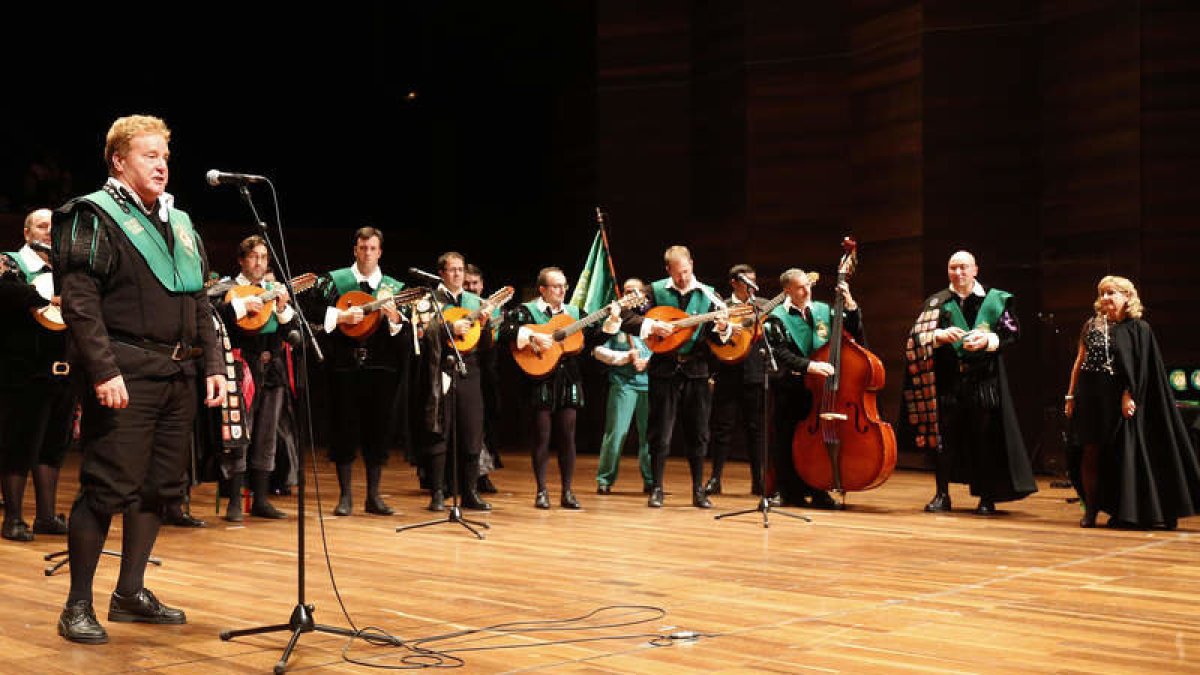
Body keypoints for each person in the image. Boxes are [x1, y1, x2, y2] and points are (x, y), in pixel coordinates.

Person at [52, 115, 226, 644]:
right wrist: (103, 369)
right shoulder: (92, 215)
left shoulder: (178, 221)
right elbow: (79, 303)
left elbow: (197, 298)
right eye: (149, 156)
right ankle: (76, 605)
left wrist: (214, 364)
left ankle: (129, 592)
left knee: (158, 490)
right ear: (118, 161)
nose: (162, 165)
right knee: (107, 487)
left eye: (166, 157)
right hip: (124, 372)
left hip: (176, 373)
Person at [901, 250, 1036, 515]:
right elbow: (915, 337)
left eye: (964, 267)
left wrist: (987, 342)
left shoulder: (995, 299)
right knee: (944, 439)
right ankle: (942, 495)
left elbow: (1012, 333)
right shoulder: (936, 302)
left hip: (983, 381)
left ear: (975, 269)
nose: (958, 273)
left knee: (983, 438)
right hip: (947, 381)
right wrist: (938, 336)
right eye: (953, 267)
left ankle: (986, 497)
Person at [1064, 276, 1200, 529]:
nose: (1105, 298)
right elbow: (1079, 362)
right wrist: (1070, 395)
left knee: (1120, 454)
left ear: (1127, 296)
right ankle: (1091, 510)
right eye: (1102, 293)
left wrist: (1129, 394)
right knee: (1090, 451)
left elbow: (1142, 369)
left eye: (1111, 293)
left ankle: (1125, 510)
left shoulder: (1139, 329)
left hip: (1120, 400)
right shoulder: (1091, 325)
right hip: (1091, 397)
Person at [618, 245, 729, 508]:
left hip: (697, 371)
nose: (683, 278)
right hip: (664, 370)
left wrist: (723, 328)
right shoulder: (654, 291)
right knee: (660, 432)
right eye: (678, 274)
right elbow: (625, 317)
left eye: (687, 271)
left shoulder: (709, 295)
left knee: (699, 433)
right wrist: (652, 325)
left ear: (692, 263)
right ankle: (656, 487)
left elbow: (716, 338)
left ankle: (698, 490)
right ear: (668, 269)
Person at [501, 267, 620, 508]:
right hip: (539, 379)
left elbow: (593, 338)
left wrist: (612, 319)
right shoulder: (527, 311)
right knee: (541, 437)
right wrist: (532, 336)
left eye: (564, 285)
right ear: (542, 289)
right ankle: (541, 490)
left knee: (568, 436)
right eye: (556, 286)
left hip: (568, 378)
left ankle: (567, 491)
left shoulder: (575, 313)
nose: (562, 290)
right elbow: (504, 330)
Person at [313, 227, 409, 517]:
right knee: (344, 428)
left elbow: (404, 332)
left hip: (381, 369)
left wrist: (394, 318)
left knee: (378, 430)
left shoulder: (393, 287)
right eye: (363, 248)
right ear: (355, 250)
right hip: (343, 366)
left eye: (373, 249)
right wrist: (341, 316)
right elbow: (313, 313)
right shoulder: (334, 281)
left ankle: (374, 496)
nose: (367, 253)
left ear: (380, 252)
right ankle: (345, 497)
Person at [0, 208, 74, 541]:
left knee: (53, 446)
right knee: (18, 444)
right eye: (41, 225)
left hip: (63, 369)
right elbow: (6, 293)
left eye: (53, 226)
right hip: (22, 371)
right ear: (27, 231)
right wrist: (42, 297)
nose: (48, 231)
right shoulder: (10, 262)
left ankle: (46, 516)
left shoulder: (66, 269)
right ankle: (13, 518)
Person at [762, 268, 862, 507]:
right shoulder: (776, 317)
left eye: (808, 285)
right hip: (791, 387)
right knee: (786, 441)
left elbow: (854, 329)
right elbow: (781, 354)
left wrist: (849, 303)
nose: (806, 290)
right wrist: (810, 366)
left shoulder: (823, 310)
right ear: (787, 290)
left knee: (816, 442)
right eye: (799, 287)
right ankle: (790, 492)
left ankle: (819, 490)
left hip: (821, 390)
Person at [213, 235, 295, 521]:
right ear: (241, 260)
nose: (259, 262)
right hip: (239, 370)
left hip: (271, 371)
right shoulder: (228, 289)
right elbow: (212, 316)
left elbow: (293, 333)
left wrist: (283, 308)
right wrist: (241, 307)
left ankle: (261, 499)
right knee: (240, 434)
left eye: (263, 257)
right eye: (253, 256)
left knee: (266, 435)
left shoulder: (274, 290)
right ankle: (235, 501)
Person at [416, 252, 496, 512]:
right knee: (440, 431)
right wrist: (446, 329)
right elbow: (421, 335)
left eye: (461, 269)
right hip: (440, 369)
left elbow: (485, 347)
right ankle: (438, 493)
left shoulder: (476, 302)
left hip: (469, 371)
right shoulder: (430, 300)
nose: (458, 274)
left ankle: (470, 491)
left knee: (472, 430)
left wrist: (484, 326)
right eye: (452, 270)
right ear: (441, 273)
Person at [705, 264, 769, 497]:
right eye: (745, 282)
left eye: (753, 281)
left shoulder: (762, 306)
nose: (750, 287)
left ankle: (758, 480)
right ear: (734, 283)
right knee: (722, 428)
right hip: (727, 372)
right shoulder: (722, 307)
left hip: (754, 372)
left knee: (755, 430)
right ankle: (715, 478)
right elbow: (711, 340)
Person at [593, 278, 654, 495]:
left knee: (650, 436)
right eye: (627, 291)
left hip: (649, 384)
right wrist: (624, 357)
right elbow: (598, 350)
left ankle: (652, 480)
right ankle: (605, 479)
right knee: (616, 433)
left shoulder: (651, 320)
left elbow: (665, 347)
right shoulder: (614, 320)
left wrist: (648, 362)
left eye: (636, 291)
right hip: (623, 385)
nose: (631, 294)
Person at [464, 262, 502, 492]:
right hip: (464, 368)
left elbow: (493, 340)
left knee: (485, 425)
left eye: (474, 283)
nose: (470, 287)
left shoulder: (493, 309)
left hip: (486, 371)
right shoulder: (457, 306)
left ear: (482, 285)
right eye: (466, 283)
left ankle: (482, 474)